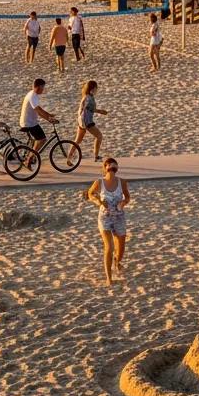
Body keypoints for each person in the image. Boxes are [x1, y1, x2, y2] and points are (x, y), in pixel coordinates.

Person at [86, 157, 130, 286]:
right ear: (105, 168)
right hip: (104, 217)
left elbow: (127, 197)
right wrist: (98, 201)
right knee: (109, 247)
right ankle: (109, 278)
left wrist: (123, 202)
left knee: (121, 250)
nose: (112, 168)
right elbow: (90, 194)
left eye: (114, 166)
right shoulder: (99, 182)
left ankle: (117, 262)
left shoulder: (122, 182)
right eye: (109, 166)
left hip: (119, 217)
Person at [19, 78, 57, 157]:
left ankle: (30, 156)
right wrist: (49, 119)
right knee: (42, 139)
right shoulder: (32, 96)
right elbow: (38, 110)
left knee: (39, 139)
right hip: (29, 123)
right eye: (43, 87)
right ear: (38, 87)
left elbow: (39, 110)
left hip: (31, 122)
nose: (43, 89)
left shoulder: (33, 94)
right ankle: (29, 159)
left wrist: (48, 115)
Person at [75, 79, 108, 162]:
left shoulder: (87, 96)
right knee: (99, 136)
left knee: (78, 140)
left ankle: (69, 157)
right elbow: (87, 108)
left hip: (81, 121)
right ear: (93, 88)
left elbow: (87, 109)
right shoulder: (88, 98)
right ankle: (96, 156)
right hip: (87, 121)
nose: (97, 89)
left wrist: (100, 111)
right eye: (96, 88)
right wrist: (100, 111)